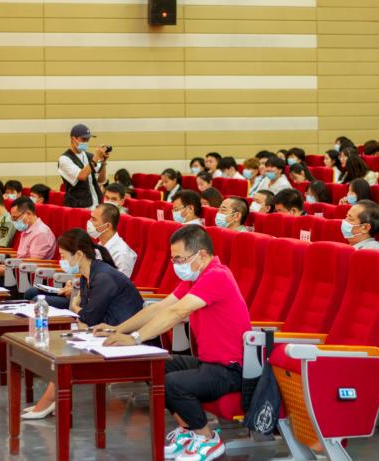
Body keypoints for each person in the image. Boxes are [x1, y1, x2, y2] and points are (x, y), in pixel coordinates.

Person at [96, 225, 251, 460]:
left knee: (172, 383)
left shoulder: (217, 276)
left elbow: (177, 312)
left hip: (231, 369)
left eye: (180, 259)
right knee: (154, 366)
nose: (176, 264)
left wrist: (136, 338)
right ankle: (189, 430)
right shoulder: (196, 278)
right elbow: (160, 307)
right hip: (209, 362)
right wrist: (118, 329)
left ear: (201, 255)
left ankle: (208, 439)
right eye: (173, 259)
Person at [22, 228, 147, 420]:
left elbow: (88, 318)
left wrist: (75, 307)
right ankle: (52, 399)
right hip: (105, 330)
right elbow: (86, 317)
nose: (61, 261)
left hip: (125, 336)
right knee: (63, 344)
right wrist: (79, 311)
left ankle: (49, 400)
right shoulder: (87, 275)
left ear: (79, 254)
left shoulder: (103, 277)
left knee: (67, 350)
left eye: (63, 256)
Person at [0, 196, 56, 286]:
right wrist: (3, 266)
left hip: (30, 279)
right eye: (12, 218)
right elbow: (21, 257)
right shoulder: (27, 229)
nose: (14, 221)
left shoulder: (40, 233)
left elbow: (32, 264)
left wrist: (5, 271)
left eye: (15, 218)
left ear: (28, 213)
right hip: (19, 272)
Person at [58, 123, 108, 209]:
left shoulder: (90, 156)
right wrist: (95, 159)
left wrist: (103, 162)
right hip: (78, 207)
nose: (86, 142)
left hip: (96, 204)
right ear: (73, 139)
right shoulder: (64, 159)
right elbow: (81, 176)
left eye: (88, 140)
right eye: (83, 139)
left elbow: (101, 180)